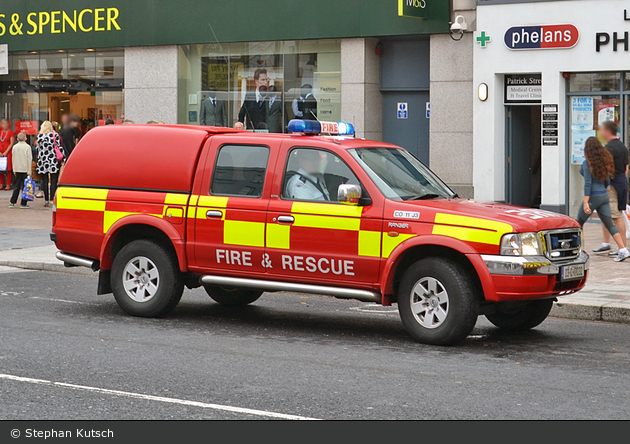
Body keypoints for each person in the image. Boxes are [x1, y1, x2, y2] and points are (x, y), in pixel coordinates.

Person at [577, 137, 629, 262]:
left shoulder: (587, 163)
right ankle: (623, 249)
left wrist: (586, 202)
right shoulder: (603, 163)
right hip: (604, 195)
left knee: (578, 223)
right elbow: (607, 181)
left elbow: (587, 184)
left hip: (593, 196)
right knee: (610, 224)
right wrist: (604, 190)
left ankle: (577, 251)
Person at [592, 121, 630, 256]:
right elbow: (626, 168)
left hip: (611, 185)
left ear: (607, 131)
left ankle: (622, 248)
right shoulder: (623, 147)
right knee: (606, 214)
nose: (600, 133)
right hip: (621, 182)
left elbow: (605, 169)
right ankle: (606, 243)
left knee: (616, 215)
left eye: (601, 130)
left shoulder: (608, 149)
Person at [36, 121, 62, 208]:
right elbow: (58, 146)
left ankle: (46, 200)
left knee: (45, 180)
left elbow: (37, 148)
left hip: (43, 160)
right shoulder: (54, 135)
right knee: (54, 180)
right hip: (52, 159)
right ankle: (52, 200)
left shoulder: (39, 136)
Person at [9, 132, 33, 209]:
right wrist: (29, 171)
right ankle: (23, 203)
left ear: (17, 139)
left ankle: (12, 202)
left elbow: (13, 159)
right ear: (26, 138)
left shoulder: (15, 147)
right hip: (25, 169)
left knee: (17, 186)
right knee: (25, 187)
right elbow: (29, 159)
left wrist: (14, 169)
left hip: (17, 169)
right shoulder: (28, 147)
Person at [0, 119, 15, 190]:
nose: (4, 125)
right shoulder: (0, 132)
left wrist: (6, 152)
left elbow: (11, 143)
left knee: (8, 169)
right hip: (0, 152)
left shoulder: (11, 132)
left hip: (8, 152)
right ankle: (1, 184)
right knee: (0, 168)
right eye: (3, 123)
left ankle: (8, 184)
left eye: (5, 123)